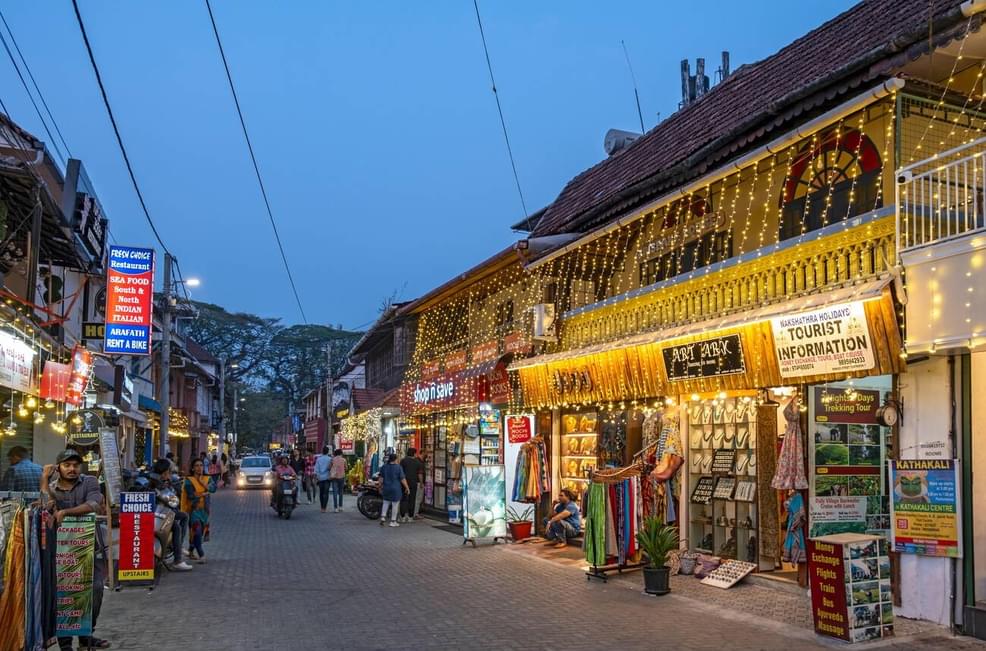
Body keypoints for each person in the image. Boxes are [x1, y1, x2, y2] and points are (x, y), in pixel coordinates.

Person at [41, 449, 111, 650]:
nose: (72, 469)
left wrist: (66, 512)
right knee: (63, 593)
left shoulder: (88, 481)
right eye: (67, 465)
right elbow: (47, 506)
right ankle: (65, 642)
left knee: (95, 590)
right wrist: (44, 478)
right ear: (58, 467)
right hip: (61, 552)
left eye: (75, 465)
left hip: (89, 547)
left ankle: (86, 635)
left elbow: (94, 503)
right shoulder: (52, 487)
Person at [151, 459, 193, 571]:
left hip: (164, 511)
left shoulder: (162, 481)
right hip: (157, 514)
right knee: (176, 527)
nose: (169, 474)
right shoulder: (154, 481)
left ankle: (178, 545)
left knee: (184, 516)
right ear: (164, 472)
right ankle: (177, 560)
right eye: (167, 472)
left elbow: (172, 494)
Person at [181, 458, 216, 563]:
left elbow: (213, 489)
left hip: (205, 511)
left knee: (199, 534)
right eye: (196, 465)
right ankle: (201, 555)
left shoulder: (207, 479)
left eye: (201, 465)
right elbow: (192, 496)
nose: (199, 468)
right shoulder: (189, 480)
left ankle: (190, 550)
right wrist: (205, 493)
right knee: (197, 531)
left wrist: (202, 483)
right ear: (192, 468)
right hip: (193, 510)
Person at [378, 453, 409, 527]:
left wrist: (380, 486)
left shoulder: (384, 467)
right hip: (395, 488)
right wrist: (407, 487)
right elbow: (402, 479)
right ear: (395, 459)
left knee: (385, 502)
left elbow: (381, 479)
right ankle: (393, 521)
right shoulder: (398, 467)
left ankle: (383, 517)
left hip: (386, 488)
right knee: (395, 504)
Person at [399, 448, 423, 523]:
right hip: (413, 483)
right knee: (412, 499)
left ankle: (402, 517)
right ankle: (410, 517)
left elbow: (400, 472)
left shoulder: (403, 461)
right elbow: (420, 474)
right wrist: (421, 483)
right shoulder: (417, 462)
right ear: (414, 454)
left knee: (403, 499)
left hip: (404, 482)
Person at [314, 446, 333, 513]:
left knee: (321, 493)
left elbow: (316, 469)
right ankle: (324, 507)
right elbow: (332, 469)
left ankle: (322, 506)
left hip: (320, 478)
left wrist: (317, 477)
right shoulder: (330, 459)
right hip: (327, 478)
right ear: (328, 452)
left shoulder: (319, 459)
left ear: (322, 451)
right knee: (326, 493)